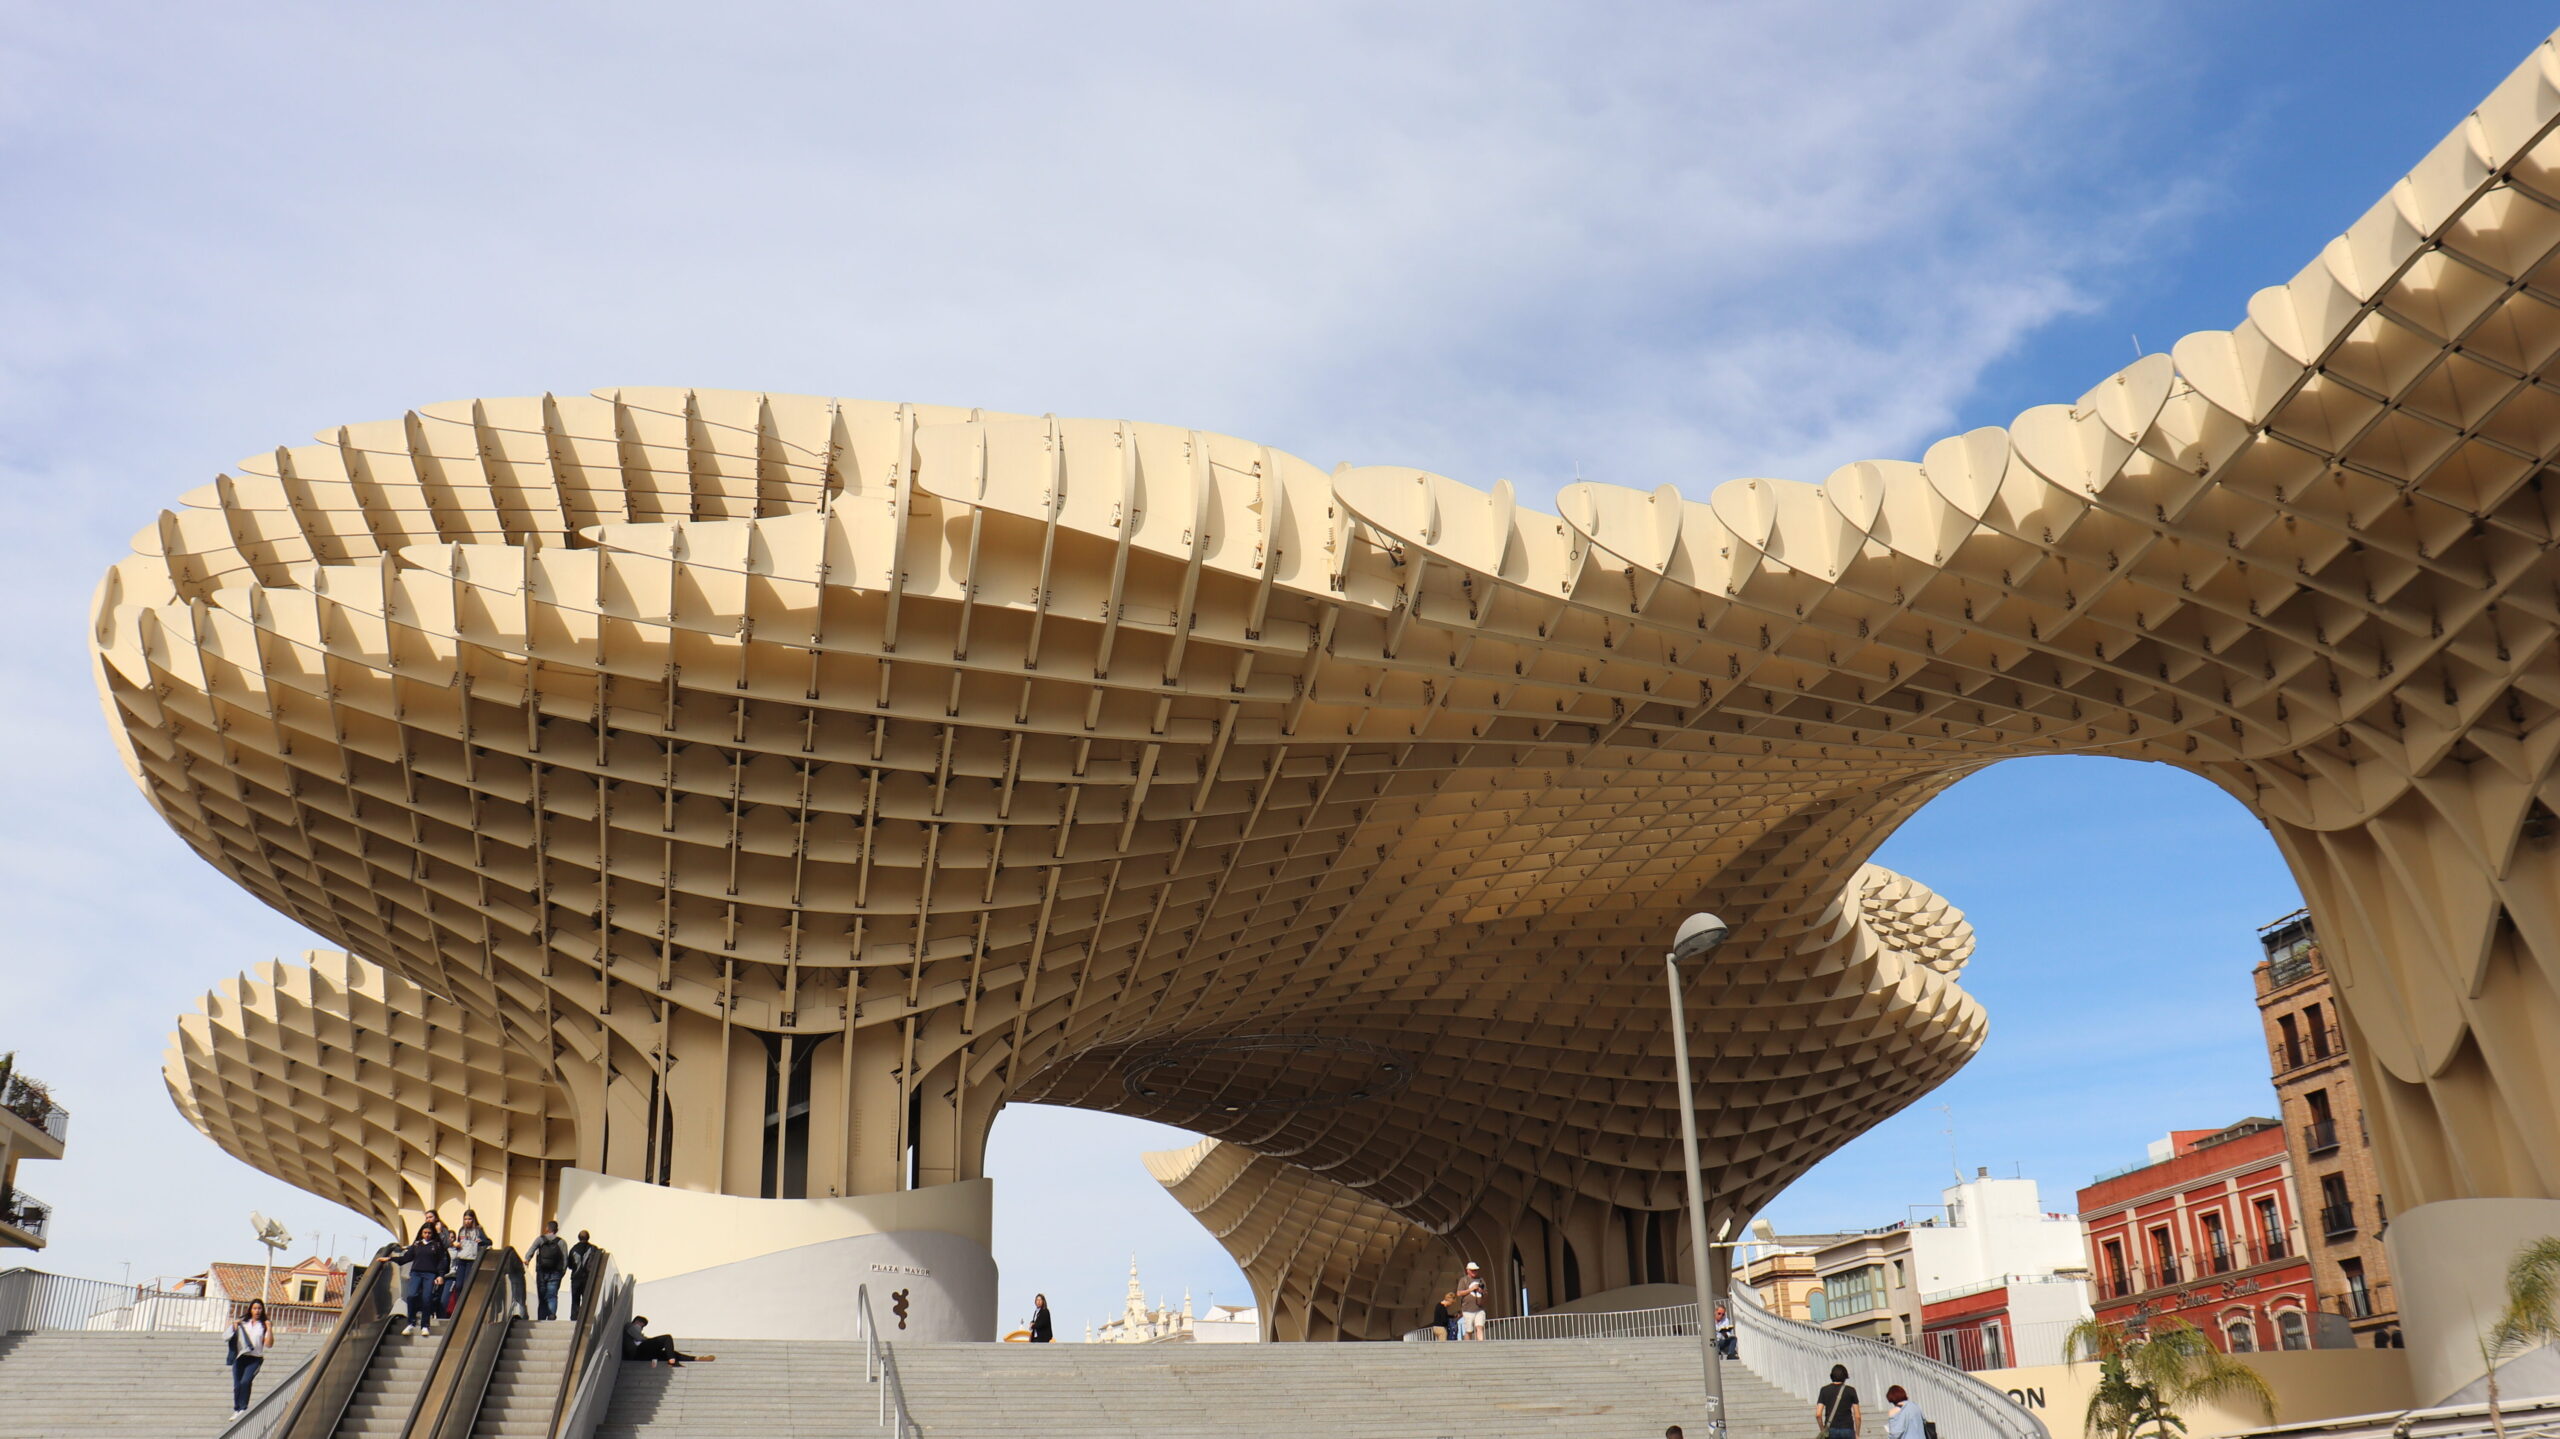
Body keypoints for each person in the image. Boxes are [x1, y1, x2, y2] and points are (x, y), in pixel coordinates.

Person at [398, 1216, 450, 1335]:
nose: (427, 1235)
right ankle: (411, 1322)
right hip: (416, 1273)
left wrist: (440, 1275)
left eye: (429, 1233)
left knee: (427, 1298)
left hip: (430, 1274)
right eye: (425, 1233)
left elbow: (442, 1261)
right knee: (411, 1295)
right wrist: (390, 1258)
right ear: (421, 1233)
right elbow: (406, 1258)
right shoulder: (417, 1244)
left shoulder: (436, 1245)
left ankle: (425, 1325)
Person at [226, 1298, 273, 1415]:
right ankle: (236, 1409)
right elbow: (231, 1336)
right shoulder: (244, 1323)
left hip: (255, 1358)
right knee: (237, 1385)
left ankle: (243, 1408)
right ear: (250, 1310)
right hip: (240, 1357)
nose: (257, 1311)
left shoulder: (263, 1325)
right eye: (255, 1308)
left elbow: (269, 1344)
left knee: (245, 1381)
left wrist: (270, 1328)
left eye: (259, 1308)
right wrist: (234, 1325)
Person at [622, 1314, 714, 1366]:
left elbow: (641, 1338)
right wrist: (640, 1329)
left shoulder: (634, 1330)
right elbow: (639, 1337)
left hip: (643, 1355)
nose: (642, 1328)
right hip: (637, 1352)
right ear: (638, 1322)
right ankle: (672, 1360)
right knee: (667, 1338)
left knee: (669, 1353)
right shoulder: (629, 1326)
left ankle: (696, 1359)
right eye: (642, 1325)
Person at [446, 1209, 488, 1316]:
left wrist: (481, 1242)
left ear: (473, 1219)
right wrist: (457, 1245)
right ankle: (459, 1306)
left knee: (466, 1284)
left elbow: (489, 1241)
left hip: (472, 1260)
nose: (467, 1221)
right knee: (459, 1285)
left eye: (469, 1219)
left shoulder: (478, 1230)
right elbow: (459, 1242)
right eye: (465, 1219)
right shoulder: (461, 1230)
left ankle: (465, 1307)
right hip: (461, 1259)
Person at [528, 1220, 570, 1321]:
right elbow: (565, 1259)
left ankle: (541, 1318)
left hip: (542, 1272)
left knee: (542, 1297)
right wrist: (562, 1272)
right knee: (552, 1295)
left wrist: (527, 1259)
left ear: (547, 1229)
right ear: (557, 1230)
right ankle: (551, 1315)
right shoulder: (562, 1242)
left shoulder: (540, 1239)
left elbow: (531, 1250)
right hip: (556, 1273)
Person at [1815, 1362, 1862, 1439]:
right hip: (1848, 1429)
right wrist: (1857, 1434)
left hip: (1831, 1429)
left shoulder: (1824, 1390)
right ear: (1845, 1376)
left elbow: (1818, 1414)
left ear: (1831, 1376)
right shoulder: (1851, 1390)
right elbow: (1857, 1416)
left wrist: (1822, 1430)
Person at [566, 1228, 598, 1320]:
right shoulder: (593, 1249)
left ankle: (574, 1317)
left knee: (575, 1299)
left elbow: (570, 1265)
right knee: (587, 1299)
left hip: (576, 1278)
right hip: (589, 1278)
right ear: (588, 1237)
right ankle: (586, 1318)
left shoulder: (573, 1249)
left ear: (578, 1238)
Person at [1457, 1261, 1488, 1340]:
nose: (1474, 1272)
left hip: (1479, 1308)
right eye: (1472, 1270)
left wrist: (1482, 1291)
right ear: (1468, 1270)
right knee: (1469, 1330)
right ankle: (1467, 1347)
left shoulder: (1481, 1280)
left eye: (1476, 1270)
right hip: (1467, 1309)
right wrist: (1471, 1289)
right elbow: (1459, 1293)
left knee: (1480, 1327)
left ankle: (1481, 1345)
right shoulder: (1464, 1280)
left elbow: (1486, 1293)